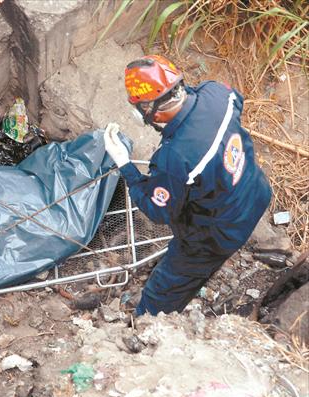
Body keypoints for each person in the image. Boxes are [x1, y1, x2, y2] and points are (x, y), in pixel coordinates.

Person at [103, 55, 272, 316]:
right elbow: (236, 100)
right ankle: (198, 276)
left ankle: (145, 331)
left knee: (162, 290)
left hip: (216, 235)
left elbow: (157, 211)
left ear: (151, 108)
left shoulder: (175, 159)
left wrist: (125, 165)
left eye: (137, 105)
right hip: (253, 194)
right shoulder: (216, 94)